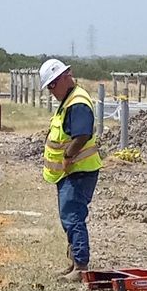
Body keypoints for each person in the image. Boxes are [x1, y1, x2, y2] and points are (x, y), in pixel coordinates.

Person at [39, 55, 100, 278]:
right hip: (71, 172)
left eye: (52, 85)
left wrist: (67, 155)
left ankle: (81, 266)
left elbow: (82, 134)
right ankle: (74, 262)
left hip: (79, 171)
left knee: (73, 216)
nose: (51, 91)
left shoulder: (77, 103)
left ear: (65, 77)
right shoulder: (69, 100)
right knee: (69, 216)